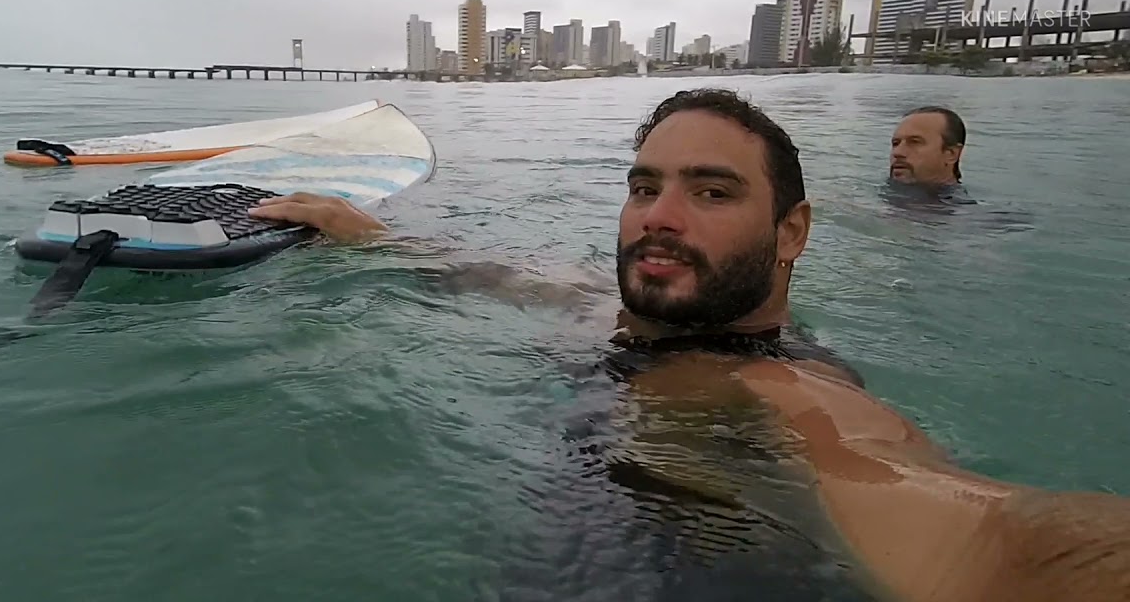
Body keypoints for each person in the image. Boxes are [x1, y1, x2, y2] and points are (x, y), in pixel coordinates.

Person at [249, 89, 1129, 601]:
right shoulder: (601, 299)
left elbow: (1011, 538)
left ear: (792, 233)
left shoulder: (785, 397)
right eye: (644, 188)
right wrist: (365, 232)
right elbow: (485, 272)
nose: (658, 217)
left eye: (711, 193)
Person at [887, 106, 974, 204]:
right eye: (895, 143)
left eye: (915, 142)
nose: (897, 152)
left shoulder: (969, 216)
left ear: (951, 154)